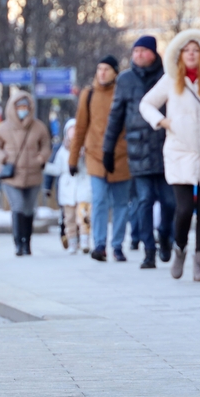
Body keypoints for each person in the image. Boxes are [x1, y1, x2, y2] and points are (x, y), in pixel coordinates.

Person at [139, 29, 200, 282]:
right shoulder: (171, 80)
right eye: (187, 50)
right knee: (183, 209)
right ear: (180, 55)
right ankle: (180, 249)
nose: (192, 54)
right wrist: (162, 121)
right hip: (180, 153)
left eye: (196, 50)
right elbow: (146, 104)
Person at [103, 36, 176, 269]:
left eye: (143, 51)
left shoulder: (168, 77)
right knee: (143, 200)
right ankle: (148, 250)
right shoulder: (125, 80)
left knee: (169, 201)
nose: (138, 55)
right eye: (135, 51)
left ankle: (165, 236)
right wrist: (108, 148)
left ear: (154, 54)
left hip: (166, 149)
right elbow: (115, 116)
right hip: (138, 150)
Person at [69, 55, 131, 262]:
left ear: (115, 72)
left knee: (122, 203)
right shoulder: (88, 95)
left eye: (107, 69)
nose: (102, 73)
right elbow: (80, 129)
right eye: (99, 69)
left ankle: (118, 246)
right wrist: (72, 158)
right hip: (95, 156)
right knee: (99, 200)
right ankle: (100, 245)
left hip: (121, 156)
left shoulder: (122, 92)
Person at [0, 89, 51, 256]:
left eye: (25, 106)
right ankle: (18, 243)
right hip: (12, 176)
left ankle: (27, 242)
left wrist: (41, 157)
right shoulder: (4, 128)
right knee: (17, 206)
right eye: (19, 107)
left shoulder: (39, 127)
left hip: (33, 175)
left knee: (29, 209)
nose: (23, 109)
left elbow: (46, 145)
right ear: (13, 108)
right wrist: (3, 157)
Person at [46, 118, 92, 254]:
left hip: (83, 187)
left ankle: (84, 241)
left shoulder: (87, 147)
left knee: (83, 216)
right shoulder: (62, 151)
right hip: (67, 190)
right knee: (69, 218)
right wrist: (44, 166)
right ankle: (72, 242)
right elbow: (58, 169)